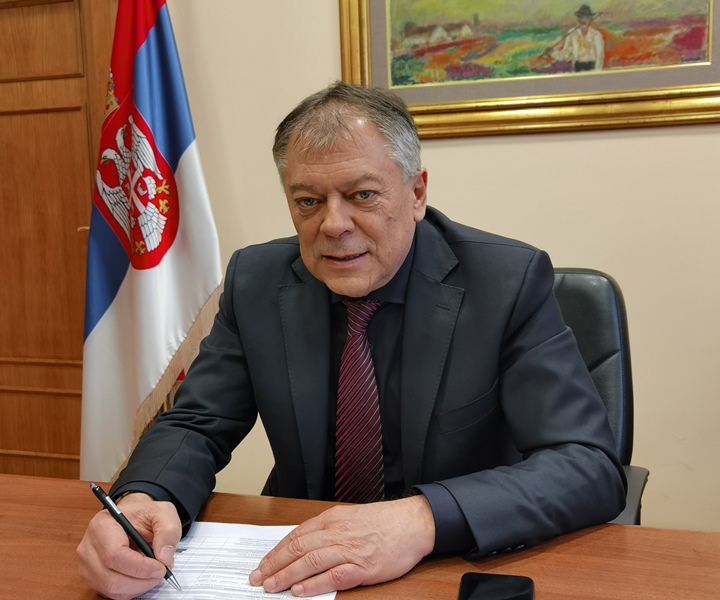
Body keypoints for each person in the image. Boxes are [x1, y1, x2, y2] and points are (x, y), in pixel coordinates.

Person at [77, 81, 626, 599]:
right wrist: (146, 496)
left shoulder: (506, 282)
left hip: (451, 566)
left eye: (362, 195)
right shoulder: (257, 281)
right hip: (303, 570)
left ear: (416, 192)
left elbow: (586, 464)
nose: (333, 225)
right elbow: (198, 422)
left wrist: (423, 519)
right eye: (308, 201)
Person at [548, 5, 605, 72]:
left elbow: (600, 56)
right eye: (581, 17)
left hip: (592, 68)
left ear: (590, 20)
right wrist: (552, 53)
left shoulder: (596, 35)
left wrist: (596, 73)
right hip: (577, 68)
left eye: (587, 17)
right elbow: (566, 55)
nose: (584, 20)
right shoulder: (572, 34)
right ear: (578, 19)